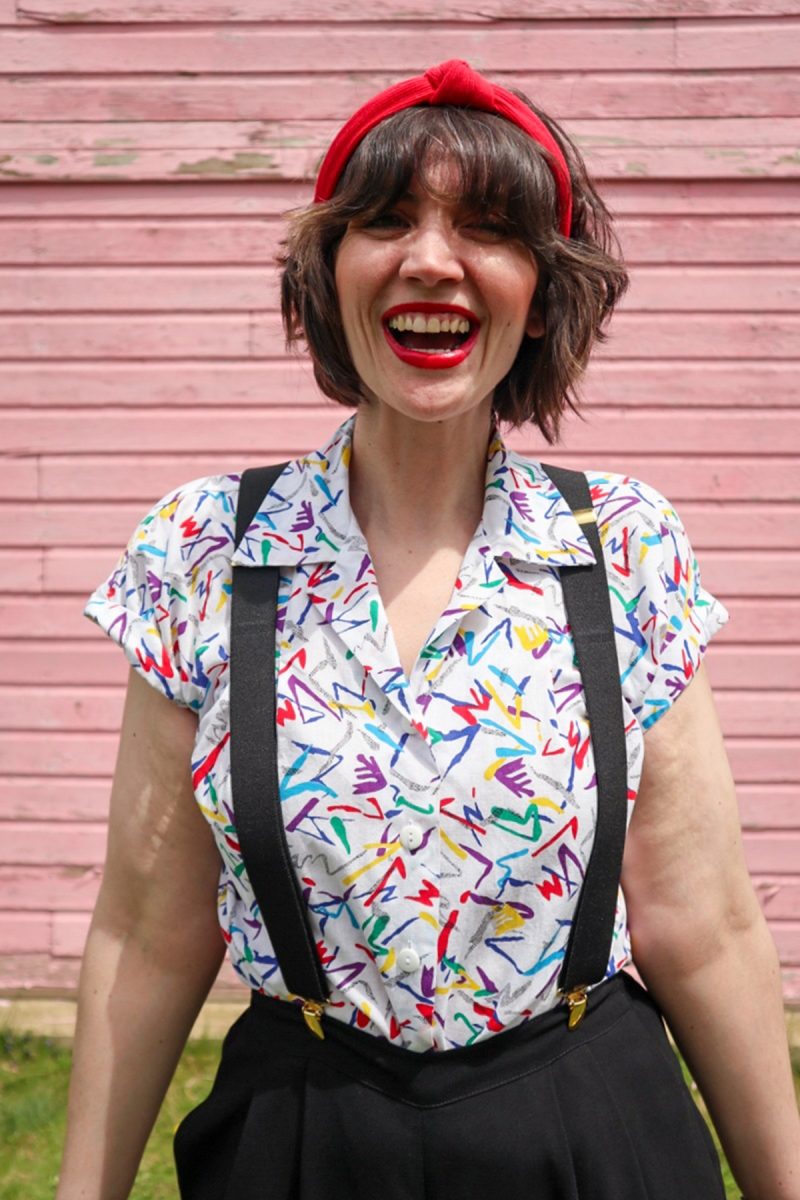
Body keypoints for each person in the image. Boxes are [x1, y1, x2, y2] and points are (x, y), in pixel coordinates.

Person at [56, 60, 799, 1200]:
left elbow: (701, 928)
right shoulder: (202, 549)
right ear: (326, 270)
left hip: (587, 1128)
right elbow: (149, 934)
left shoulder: (623, 549)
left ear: (542, 291)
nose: (431, 260)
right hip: (299, 1132)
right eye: (386, 220)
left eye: (488, 229)